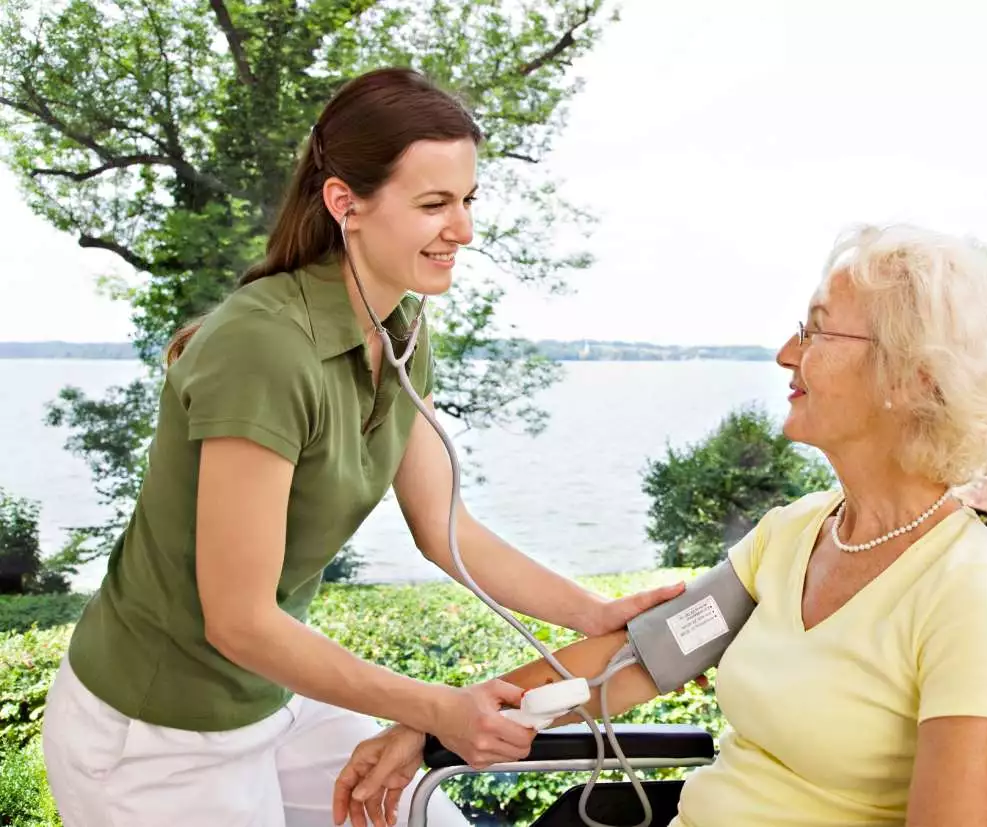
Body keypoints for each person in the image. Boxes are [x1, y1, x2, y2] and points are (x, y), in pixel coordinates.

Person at [39, 66, 685, 827]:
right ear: (345, 202)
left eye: (468, 200)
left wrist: (596, 613)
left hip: (271, 700)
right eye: (435, 204)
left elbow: (449, 530)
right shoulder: (263, 346)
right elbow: (238, 618)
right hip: (155, 734)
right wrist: (439, 708)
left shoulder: (403, 330)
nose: (465, 230)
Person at [337, 223, 987, 827]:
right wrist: (436, 723)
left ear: (912, 378)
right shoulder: (796, 531)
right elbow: (643, 658)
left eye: (817, 330)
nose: (785, 353)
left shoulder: (971, 594)